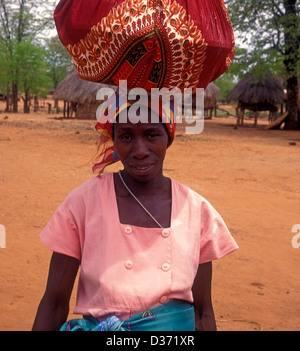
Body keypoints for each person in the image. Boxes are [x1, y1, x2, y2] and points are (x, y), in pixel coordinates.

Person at [32, 93, 238, 331]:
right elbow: (54, 303)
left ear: (169, 137)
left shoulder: (196, 210)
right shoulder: (84, 202)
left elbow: (202, 313)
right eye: (127, 136)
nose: (140, 150)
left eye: (151, 134)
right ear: (114, 140)